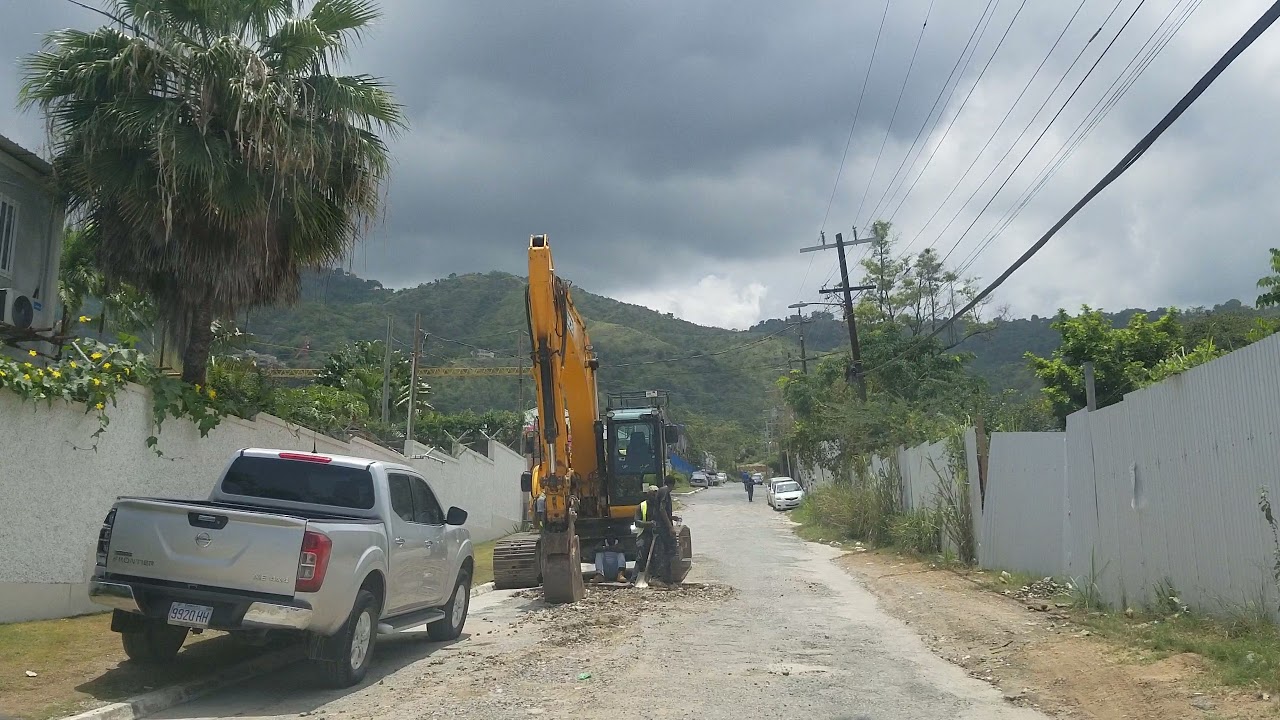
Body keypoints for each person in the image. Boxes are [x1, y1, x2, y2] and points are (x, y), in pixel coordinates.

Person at [632, 485, 660, 581]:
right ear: (648, 495)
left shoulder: (659, 506)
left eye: (656, 494)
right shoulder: (642, 506)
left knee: (656, 557)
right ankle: (634, 579)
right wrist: (649, 524)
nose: (654, 496)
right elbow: (637, 522)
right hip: (644, 534)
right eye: (652, 494)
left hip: (656, 535)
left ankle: (654, 578)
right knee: (640, 557)